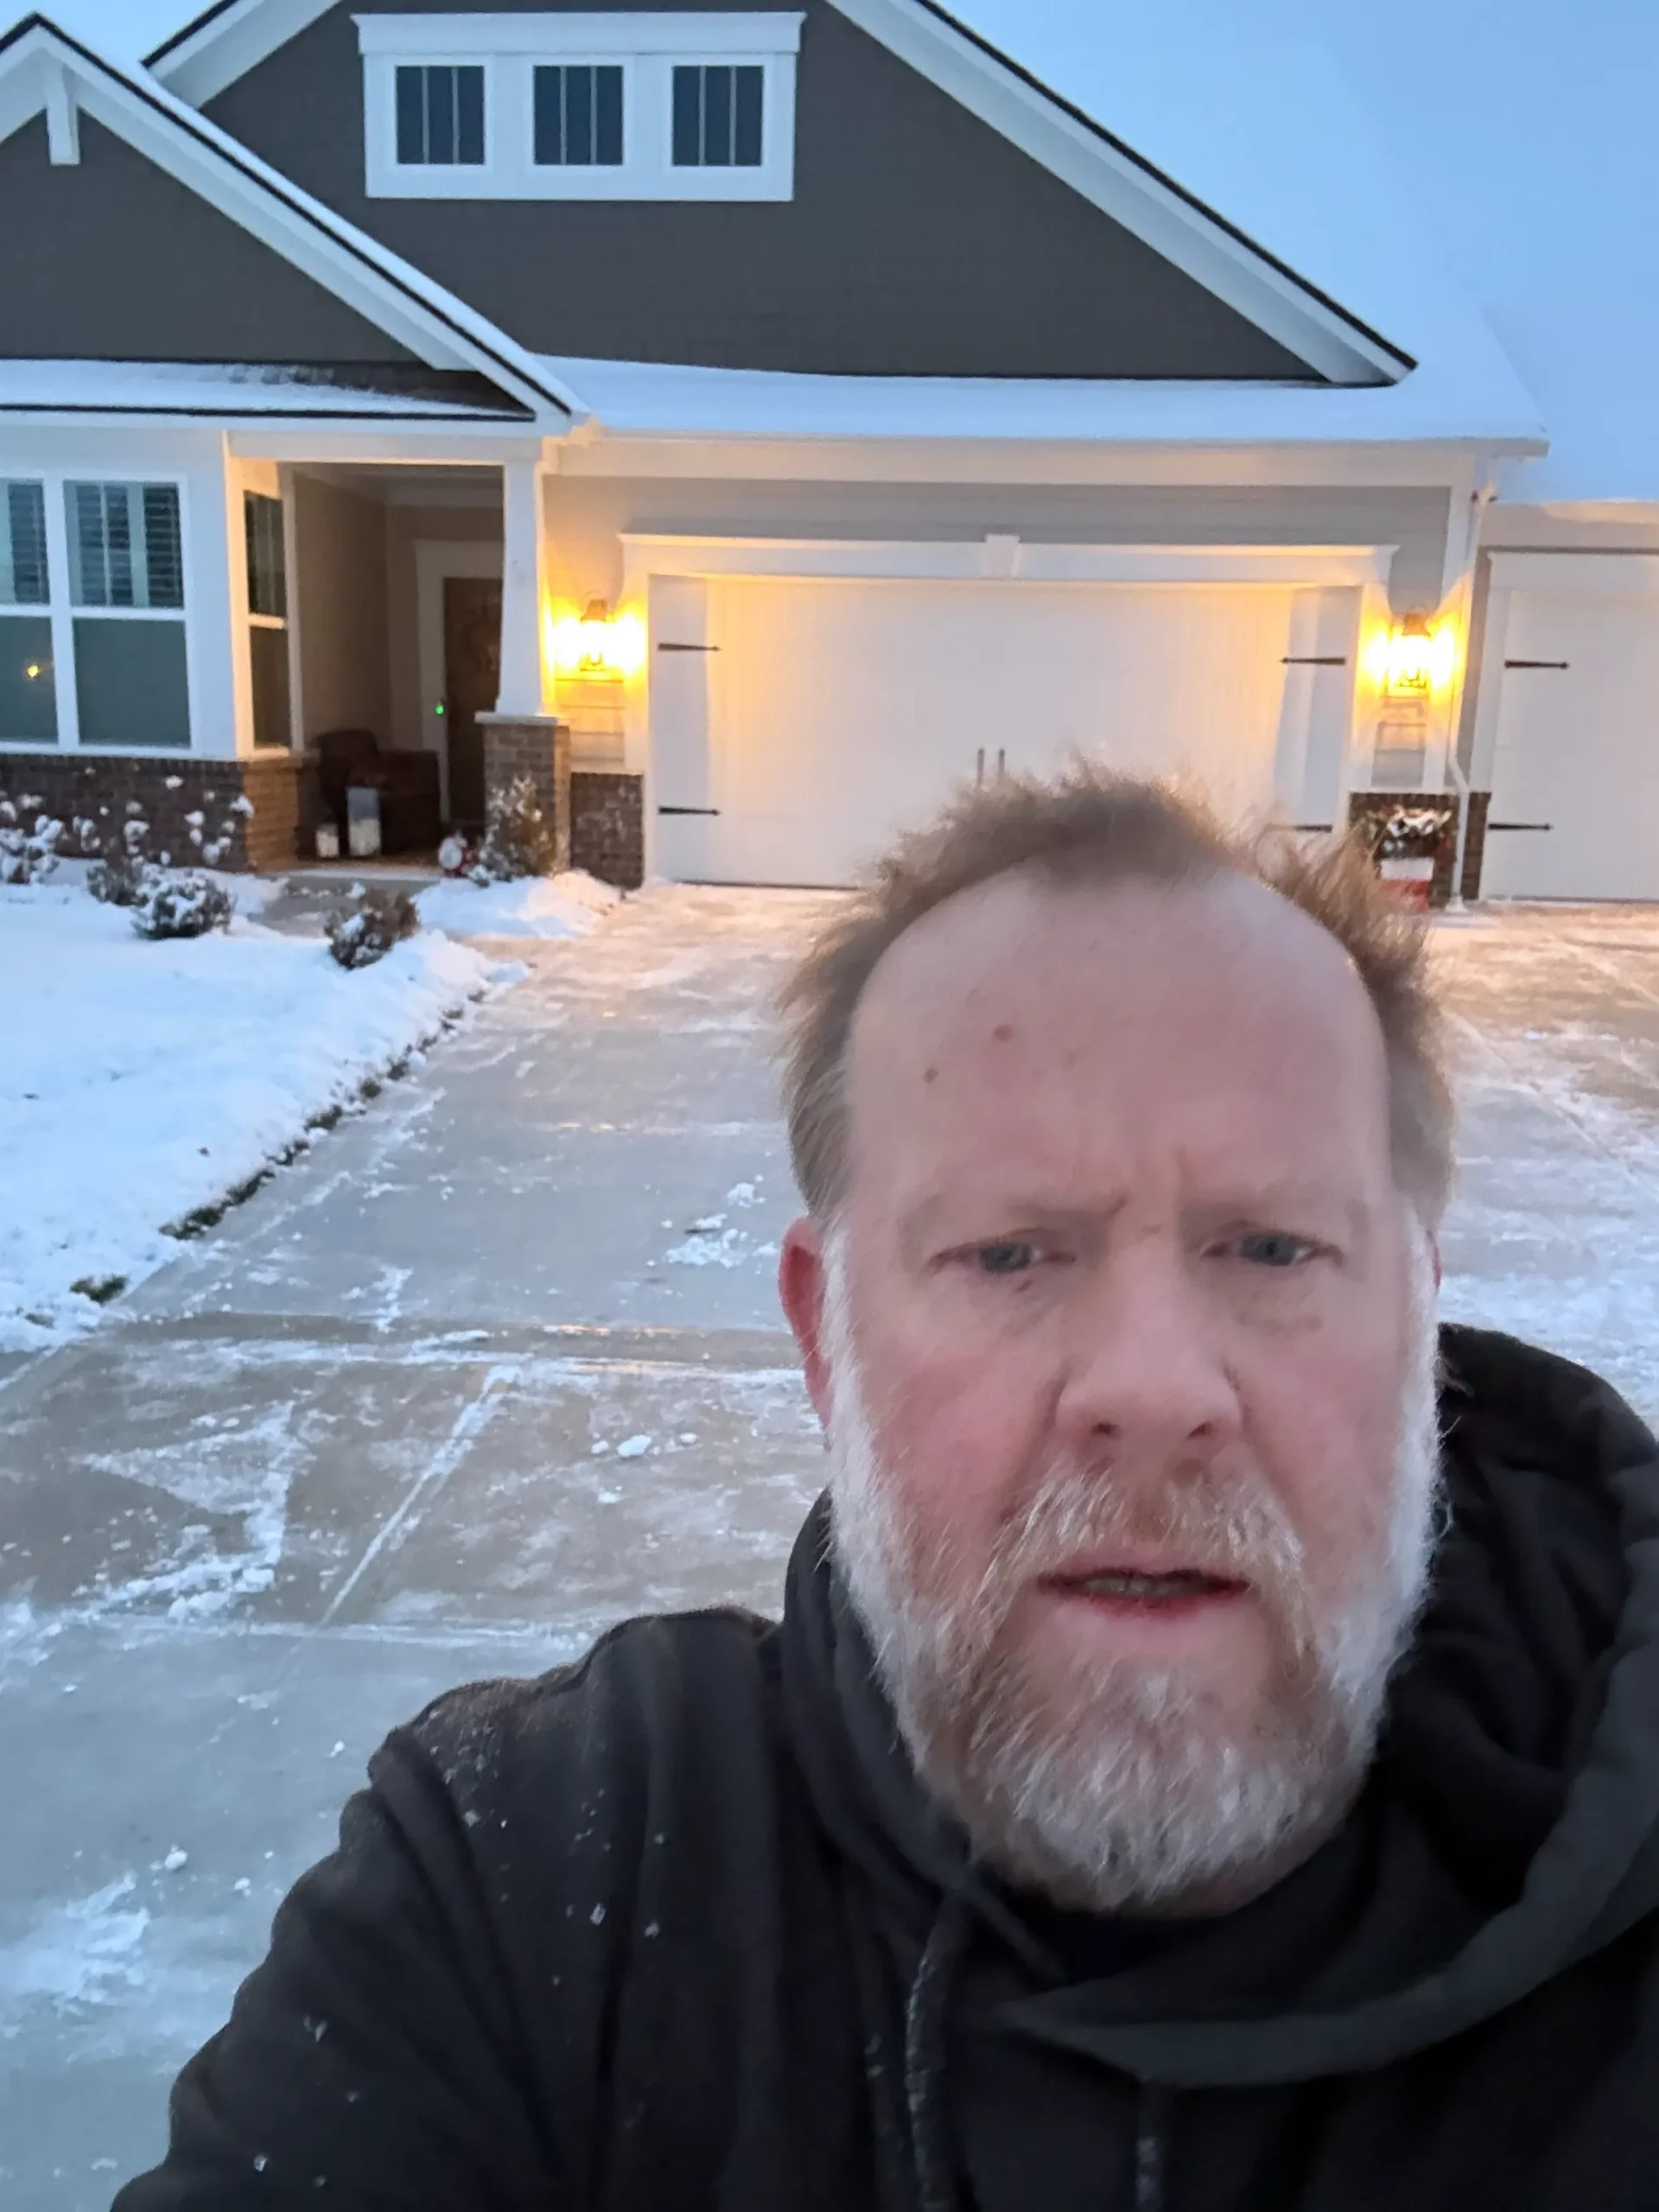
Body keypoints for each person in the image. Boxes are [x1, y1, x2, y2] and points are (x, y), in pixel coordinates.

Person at [116, 771, 1659, 2212]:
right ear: (825, 1337)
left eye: (1270, 1247)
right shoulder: (532, 1883)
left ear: (1419, 1315)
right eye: (1007, 1253)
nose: (1151, 1389)